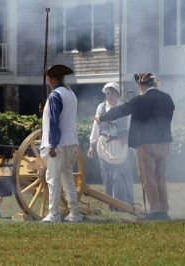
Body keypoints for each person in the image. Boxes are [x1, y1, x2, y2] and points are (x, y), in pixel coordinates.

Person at [94, 73, 175, 220]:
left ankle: (155, 211)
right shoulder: (167, 98)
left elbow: (122, 110)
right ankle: (164, 210)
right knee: (160, 178)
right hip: (164, 143)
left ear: (141, 85)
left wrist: (102, 117)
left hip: (146, 143)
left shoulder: (140, 100)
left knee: (148, 178)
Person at [40, 64, 83, 223]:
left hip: (59, 144)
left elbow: (54, 122)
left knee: (52, 179)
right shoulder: (70, 94)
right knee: (67, 178)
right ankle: (75, 213)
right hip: (72, 143)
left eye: (48, 79)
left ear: (51, 79)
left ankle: (54, 214)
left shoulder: (55, 95)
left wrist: (53, 145)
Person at [88, 82, 135, 207]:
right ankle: (111, 204)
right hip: (105, 145)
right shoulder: (101, 107)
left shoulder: (124, 107)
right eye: (107, 93)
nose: (109, 96)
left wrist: (128, 139)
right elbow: (96, 127)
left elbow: (130, 125)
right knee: (107, 175)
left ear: (117, 94)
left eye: (111, 93)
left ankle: (125, 203)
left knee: (122, 174)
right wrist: (92, 145)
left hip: (121, 145)